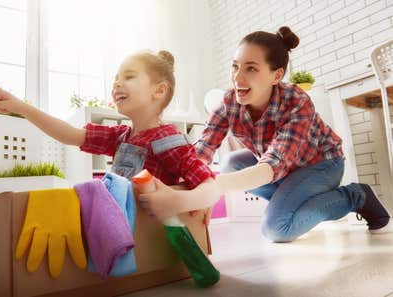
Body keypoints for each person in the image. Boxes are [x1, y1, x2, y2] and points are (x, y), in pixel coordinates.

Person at [138, 27, 391, 242]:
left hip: (322, 164)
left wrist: (212, 189)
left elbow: (272, 164)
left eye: (251, 68)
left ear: (277, 75)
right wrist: (183, 186)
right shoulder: (229, 102)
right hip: (284, 171)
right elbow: (202, 150)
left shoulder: (296, 102)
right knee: (230, 164)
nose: (238, 77)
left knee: (276, 229)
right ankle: (292, 202)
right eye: (235, 67)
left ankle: (355, 195)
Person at [0, 50, 219, 221]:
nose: (116, 84)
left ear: (159, 90)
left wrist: (189, 201)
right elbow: (69, 135)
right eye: (115, 78)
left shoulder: (169, 140)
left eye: (129, 76)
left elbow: (209, 185)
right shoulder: (120, 137)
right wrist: (21, 108)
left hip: (146, 232)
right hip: (118, 222)